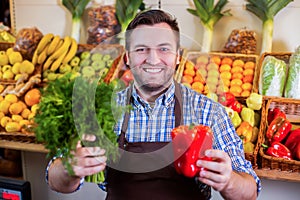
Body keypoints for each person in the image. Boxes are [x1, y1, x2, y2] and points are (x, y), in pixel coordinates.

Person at [46, 9, 261, 200]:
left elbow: (249, 191)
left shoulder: (208, 112)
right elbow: (55, 179)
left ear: (178, 56)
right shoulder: (102, 109)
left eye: (164, 49)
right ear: (127, 57)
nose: (153, 59)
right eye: (141, 49)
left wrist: (229, 181)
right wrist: (69, 169)